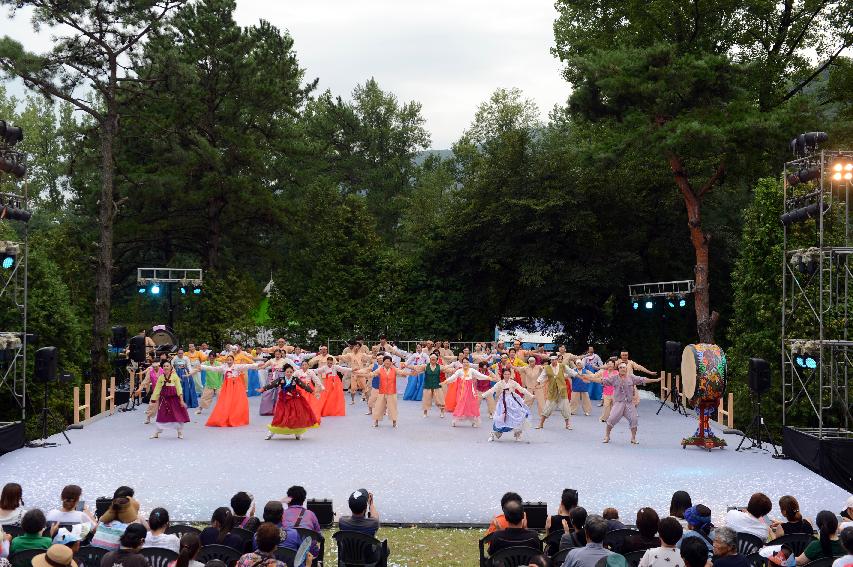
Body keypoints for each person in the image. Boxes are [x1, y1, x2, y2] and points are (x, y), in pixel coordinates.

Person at [583, 362, 661, 444]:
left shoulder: (631, 377)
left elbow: (643, 379)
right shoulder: (614, 378)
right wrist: (589, 378)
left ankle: (633, 438)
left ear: (626, 369)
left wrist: (656, 380)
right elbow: (601, 380)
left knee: (634, 420)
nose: (622, 369)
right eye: (620, 367)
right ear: (618, 369)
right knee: (611, 419)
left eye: (624, 367)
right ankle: (607, 436)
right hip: (618, 403)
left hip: (629, 404)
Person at [259, 363, 319, 440]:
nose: (289, 373)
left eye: (291, 372)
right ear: (285, 372)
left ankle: (297, 433)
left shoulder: (295, 379)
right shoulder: (281, 379)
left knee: (295, 416)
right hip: (283, 400)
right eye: (287, 372)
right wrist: (263, 389)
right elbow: (272, 384)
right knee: (280, 416)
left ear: (292, 372)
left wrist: (312, 391)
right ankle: (271, 432)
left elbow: (303, 385)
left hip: (294, 399)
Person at [199, 356, 259, 427]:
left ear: (233, 360)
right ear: (226, 361)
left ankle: (235, 417)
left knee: (236, 402)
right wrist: (202, 367)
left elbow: (246, 366)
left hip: (236, 387)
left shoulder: (237, 366)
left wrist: (256, 365)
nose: (229, 361)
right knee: (227, 401)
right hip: (227, 387)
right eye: (228, 360)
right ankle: (226, 416)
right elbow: (213, 368)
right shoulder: (224, 367)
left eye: (230, 360)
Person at [480, 367, 533, 441]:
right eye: (505, 374)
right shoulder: (500, 383)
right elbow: (492, 390)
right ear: (503, 375)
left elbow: (522, 389)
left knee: (516, 416)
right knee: (501, 418)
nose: (507, 375)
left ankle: (517, 434)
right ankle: (494, 434)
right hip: (503, 402)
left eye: (508, 374)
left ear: (510, 374)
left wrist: (531, 395)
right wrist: (483, 395)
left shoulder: (513, 382)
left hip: (512, 402)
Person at [149, 362, 190, 439]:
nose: (165, 367)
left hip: (174, 399)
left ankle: (179, 432)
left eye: (167, 366)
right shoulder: (161, 377)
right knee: (161, 415)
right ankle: (157, 432)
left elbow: (179, 388)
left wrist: (181, 400)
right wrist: (153, 399)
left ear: (171, 367)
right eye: (164, 366)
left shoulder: (175, 377)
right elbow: (157, 389)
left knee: (177, 415)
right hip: (164, 399)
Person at [536, 356, 574, 430]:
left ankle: (568, 425)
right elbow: (542, 376)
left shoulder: (562, 366)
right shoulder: (547, 368)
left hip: (562, 390)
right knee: (547, 407)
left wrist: (577, 375)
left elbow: (570, 371)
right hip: (552, 391)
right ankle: (541, 424)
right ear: (550, 360)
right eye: (552, 360)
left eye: (554, 360)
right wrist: (538, 382)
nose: (553, 361)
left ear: (557, 360)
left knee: (565, 408)